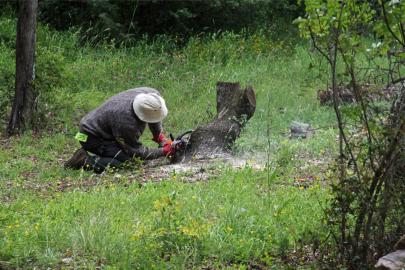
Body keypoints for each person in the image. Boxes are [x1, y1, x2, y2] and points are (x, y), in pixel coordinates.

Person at [64, 87, 176, 173]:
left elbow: (155, 114)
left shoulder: (151, 94)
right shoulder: (125, 121)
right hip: (90, 136)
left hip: (102, 126)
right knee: (129, 163)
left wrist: (159, 136)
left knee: (132, 158)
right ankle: (83, 160)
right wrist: (164, 151)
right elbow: (136, 151)